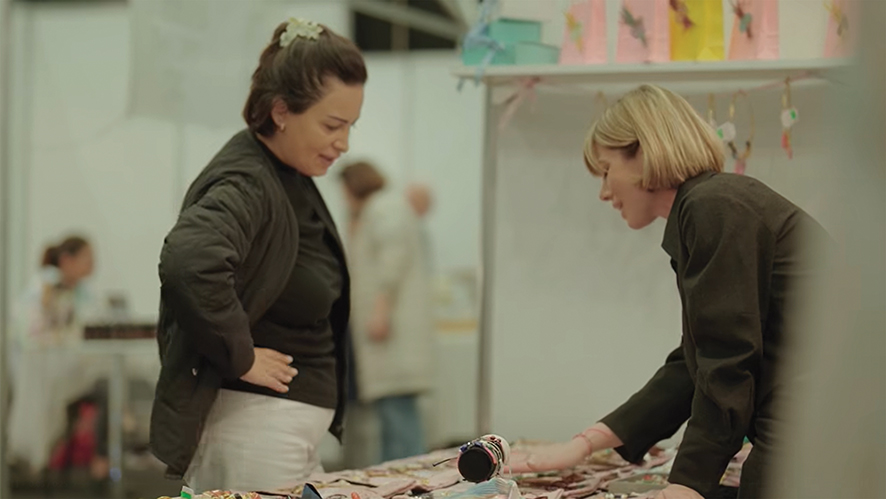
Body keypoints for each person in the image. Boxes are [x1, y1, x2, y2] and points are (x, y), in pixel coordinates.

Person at [509, 85, 828, 499]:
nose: (604, 193)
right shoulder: (709, 205)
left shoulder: (713, 207)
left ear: (642, 153)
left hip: (822, 413)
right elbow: (693, 363)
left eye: (605, 171)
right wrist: (584, 444)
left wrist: (687, 484)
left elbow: (725, 362)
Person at [149, 18, 366, 493]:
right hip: (253, 430)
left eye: (351, 126)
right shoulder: (248, 180)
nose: (344, 143)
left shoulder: (288, 173)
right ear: (282, 111)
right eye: (332, 125)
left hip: (277, 430)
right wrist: (240, 355)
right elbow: (190, 260)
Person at [340, 162, 435, 463]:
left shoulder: (383, 209)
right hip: (390, 336)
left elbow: (391, 265)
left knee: (399, 420)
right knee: (393, 419)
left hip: (390, 335)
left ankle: (408, 489)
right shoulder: (383, 209)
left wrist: (379, 313)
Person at [8, 235, 110, 482]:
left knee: (108, 385)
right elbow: (34, 333)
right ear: (67, 260)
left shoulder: (84, 292)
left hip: (69, 367)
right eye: (86, 258)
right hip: (40, 367)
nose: (92, 264)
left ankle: (100, 457)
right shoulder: (44, 286)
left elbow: (94, 324)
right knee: (104, 387)